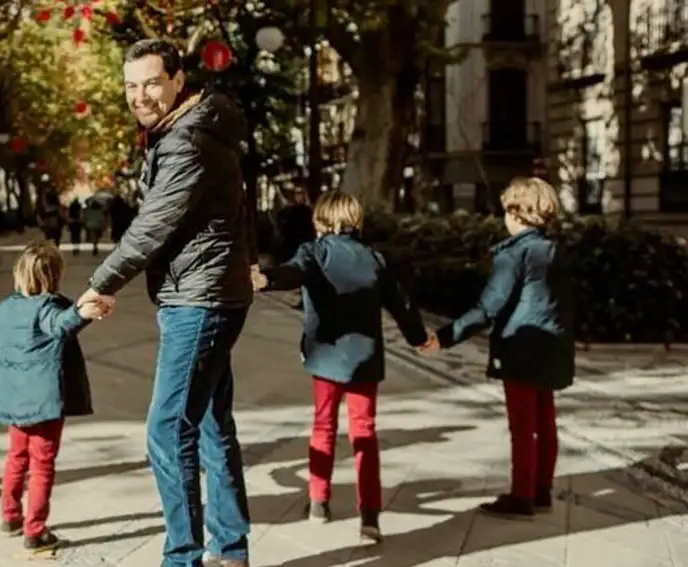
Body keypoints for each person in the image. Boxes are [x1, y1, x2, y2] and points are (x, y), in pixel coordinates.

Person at [77, 39, 258, 567]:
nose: (140, 95)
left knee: (166, 428)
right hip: (212, 291)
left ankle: (183, 557)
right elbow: (238, 212)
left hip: (199, 299)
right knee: (209, 422)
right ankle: (231, 549)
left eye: (152, 82)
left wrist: (102, 282)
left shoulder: (188, 141)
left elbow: (153, 224)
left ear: (180, 79)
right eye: (131, 86)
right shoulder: (200, 130)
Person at [253, 191, 434, 544]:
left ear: (323, 220)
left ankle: (319, 501)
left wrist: (266, 279)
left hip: (325, 358)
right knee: (364, 432)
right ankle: (369, 516)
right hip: (364, 360)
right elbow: (402, 305)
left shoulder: (315, 252)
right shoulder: (374, 258)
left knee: (323, 426)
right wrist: (418, 339)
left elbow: (293, 272)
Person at [421, 177, 575, 520]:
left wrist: (444, 337)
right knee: (545, 421)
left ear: (518, 212)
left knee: (522, 425)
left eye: (507, 210)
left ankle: (521, 497)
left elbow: (488, 307)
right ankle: (541, 490)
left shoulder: (515, 254)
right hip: (551, 345)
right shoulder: (554, 249)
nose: (504, 218)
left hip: (521, 345)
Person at [0, 241, 101, 550]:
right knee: (42, 465)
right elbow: (61, 326)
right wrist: (83, 312)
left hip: (14, 404)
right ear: (55, 276)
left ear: (19, 275)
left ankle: (10, 514)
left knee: (16, 458)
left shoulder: (6, 307)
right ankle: (35, 529)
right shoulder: (48, 309)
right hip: (44, 407)